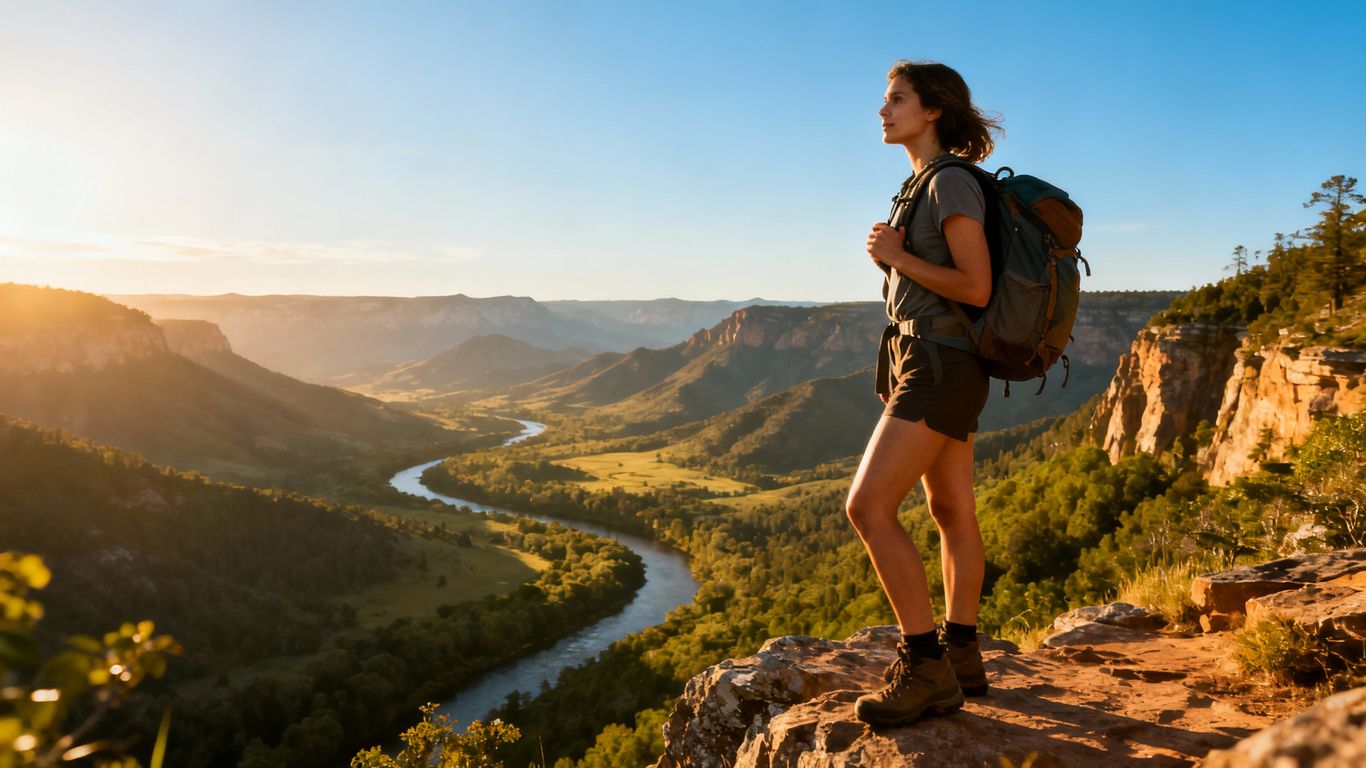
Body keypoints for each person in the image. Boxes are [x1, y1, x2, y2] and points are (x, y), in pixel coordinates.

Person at [847, 60, 1001, 727]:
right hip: (936, 359)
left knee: (868, 508)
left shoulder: (951, 184)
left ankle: (924, 666)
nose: (882, 111)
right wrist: (897, 261)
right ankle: (963, 654)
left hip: (939, 364)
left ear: (932, 110)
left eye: (896, 100)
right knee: (949, 509)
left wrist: (897, 256)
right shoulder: (923, 185)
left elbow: (976, 287)